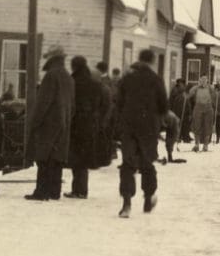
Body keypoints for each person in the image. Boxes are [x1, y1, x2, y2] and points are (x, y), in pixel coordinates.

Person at [115, 49, 168, 218]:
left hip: (129, 127)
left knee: (128, 164)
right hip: (149, 129)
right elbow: (164, 106)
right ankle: (148, 197)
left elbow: (118, 102)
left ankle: (126, 204)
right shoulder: (156, 80)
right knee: (147, 163)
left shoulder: (127, 79)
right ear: (152, 61)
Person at [26, 47, 75, 201]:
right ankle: (54, 191)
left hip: (48, 125)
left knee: (44, 158)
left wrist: (34, 123)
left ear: (51, 59)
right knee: (56, 159)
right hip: (64, 124)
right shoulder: (68, 77)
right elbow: (73, 105)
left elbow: (43, 104)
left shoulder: (51, 76)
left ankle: (41, 192)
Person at [66, 56, 103, 199]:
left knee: (76, 158)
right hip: (89, 124)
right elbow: (99, 104)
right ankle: (82, 189)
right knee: (84, 158)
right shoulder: (94, 83)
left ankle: (77, 189)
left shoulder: (74, 81)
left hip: (76, 124)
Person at [188, 75, 217, 152]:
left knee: (207, 127)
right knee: (196, 126)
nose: (203, 81)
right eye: (202, 80)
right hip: (198, 108)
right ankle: (197, 144)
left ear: (207, 81)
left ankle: (205, 145)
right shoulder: (196, 88)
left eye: (205, 80)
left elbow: (215, 96)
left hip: (208, 108)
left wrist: (215, 91)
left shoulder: (210, 88)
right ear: (199, 80)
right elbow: (190, 94)